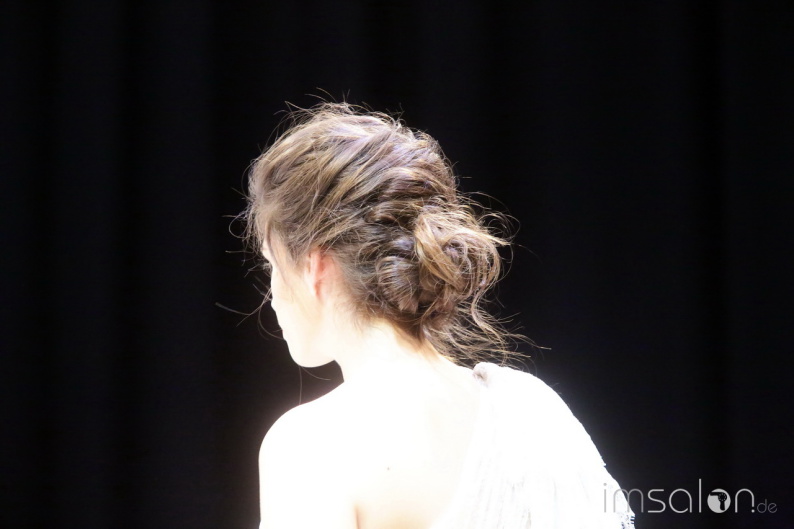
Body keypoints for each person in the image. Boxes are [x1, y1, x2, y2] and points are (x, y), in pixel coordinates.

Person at [245, 102, 634, 529]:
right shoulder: (533, 410)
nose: (272, 296)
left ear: (314, 267)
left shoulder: (313, 446)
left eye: (271, 265)